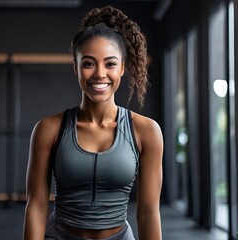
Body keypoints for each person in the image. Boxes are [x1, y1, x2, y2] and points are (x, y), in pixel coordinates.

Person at [23, 5, 163, 240]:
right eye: (88, 63)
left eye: (110, 64)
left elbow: (149, 213)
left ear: (122, 69)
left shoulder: (146, 131)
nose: (99, 73)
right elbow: (36, 206)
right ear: (75, 67)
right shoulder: (48, 129)